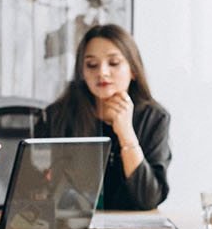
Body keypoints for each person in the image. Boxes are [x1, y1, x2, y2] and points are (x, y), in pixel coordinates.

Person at [36, 24, 171, 210]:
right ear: (82, 72)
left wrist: (127, 135)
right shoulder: (57, 115)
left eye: (114, 63)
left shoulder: (154, 118)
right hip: (71, 227)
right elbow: (38, 190)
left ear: (133, 70)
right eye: (91, 65)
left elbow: (148, 198)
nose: (102, 72)